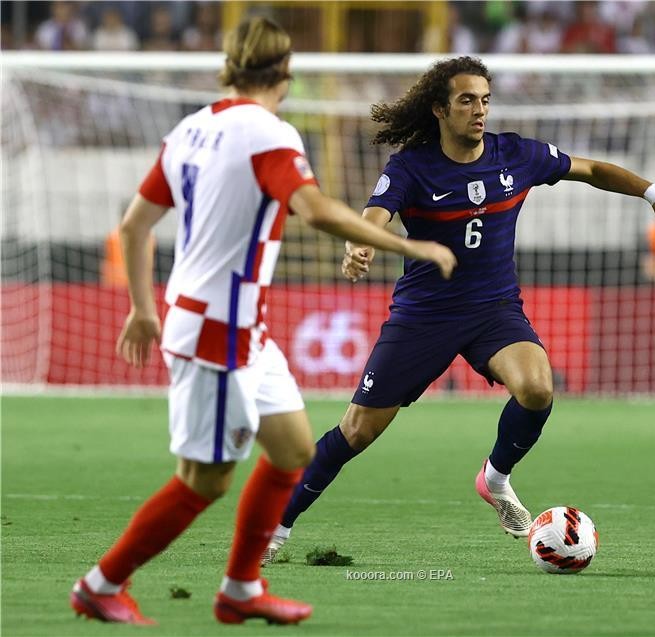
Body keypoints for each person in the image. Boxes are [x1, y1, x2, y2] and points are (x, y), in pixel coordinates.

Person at [69, 17, 456, 627]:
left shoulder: (191, 129)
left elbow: (135, 225)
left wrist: (146, 309)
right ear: (285, 72)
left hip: (240, 327)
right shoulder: (269, 135)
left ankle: (242, 588)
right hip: (217, 330)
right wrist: (415, 248)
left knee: (293, 449)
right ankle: (101, 582)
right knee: (204, 481)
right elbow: (316, 210)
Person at [262, 55, 655, 564]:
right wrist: (361, 245)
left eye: (485, 100)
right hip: (424, 316)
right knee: (357, 431)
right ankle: (276, 526)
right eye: (467, 100)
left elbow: (592, 169)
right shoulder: (412, 165)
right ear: (440, 110)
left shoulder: (515, 155)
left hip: (493, 309)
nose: (479, 111)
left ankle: (494, 477)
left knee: (537, 388)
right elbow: (376, 214)